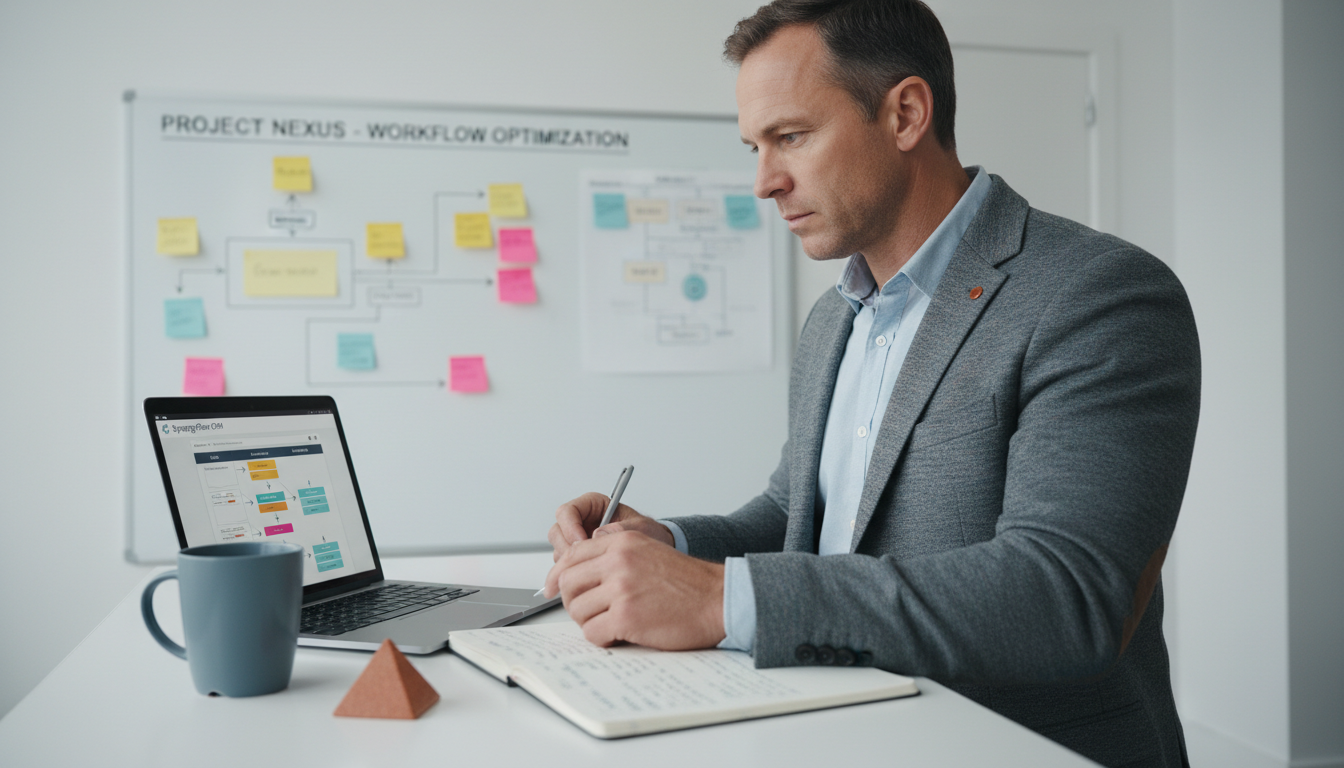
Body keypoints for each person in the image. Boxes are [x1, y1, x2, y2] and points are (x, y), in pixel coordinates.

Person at [543, 1, 1199, 765]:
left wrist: (718, 599)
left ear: (906, 114)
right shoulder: (834, 318)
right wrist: (670, 544)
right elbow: (798, 514)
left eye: (791, 137)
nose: (764, 182)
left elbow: (1065, 595)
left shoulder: (1099, 296)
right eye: (755, 147)